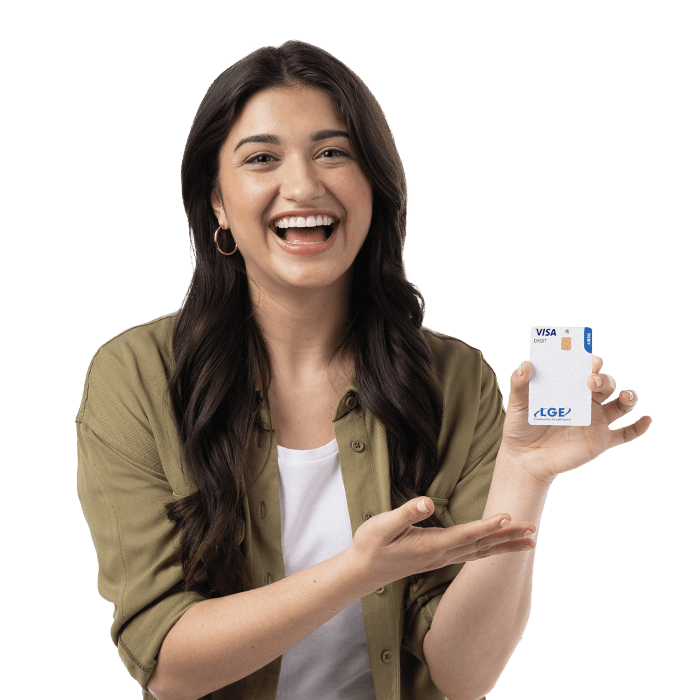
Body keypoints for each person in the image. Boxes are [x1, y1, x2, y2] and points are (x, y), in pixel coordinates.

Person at [75, 40, 652, 700]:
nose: (304, 186)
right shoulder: (134, 376)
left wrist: (524, 476)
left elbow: (463, 677)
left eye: (333, 152)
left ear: (374, 188)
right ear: (217, 204)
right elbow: (167, 666)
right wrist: (356, 571)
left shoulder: (455, 376)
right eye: (262, 158)